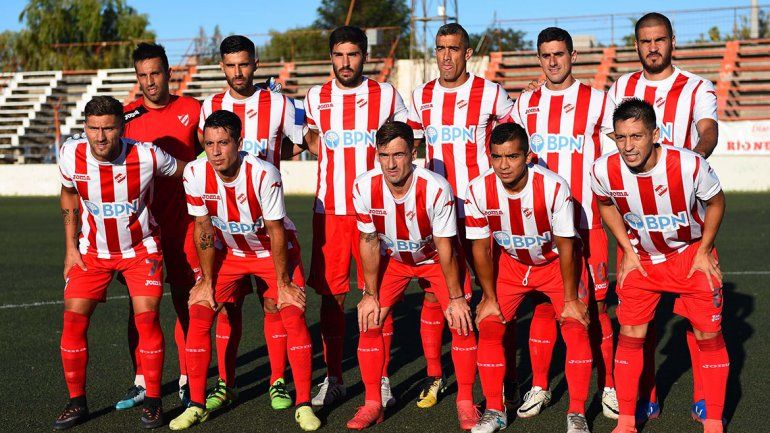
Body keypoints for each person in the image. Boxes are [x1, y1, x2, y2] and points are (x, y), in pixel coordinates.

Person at [601, 12, 720, 420]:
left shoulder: (696, 86)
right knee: (639, 322)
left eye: (659, 40)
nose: (652, 47)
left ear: (672, 42)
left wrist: (692, 165)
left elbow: (708, 131)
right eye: (644, 41)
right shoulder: (623, 86)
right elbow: (609, 139)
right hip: (638, 224)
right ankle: (645, 392)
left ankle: (705, 397)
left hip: (684, 216)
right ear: (636, 45)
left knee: (697, 317)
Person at [170, 110, 320, 431]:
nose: (215, 151)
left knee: (290, 309)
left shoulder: (263, 174)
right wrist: (207, 281)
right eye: (209, 143)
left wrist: (283, 283)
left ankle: (303, 402)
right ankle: (197, 404)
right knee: (200, 308)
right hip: (230, 252)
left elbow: (277, 231)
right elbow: (203, 228)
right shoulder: (195, 173)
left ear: (239, 142)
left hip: (271, 249)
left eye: (223, 143)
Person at [591, 98, 727, 433]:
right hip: (643, 259)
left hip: (689, 255)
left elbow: (717, 202)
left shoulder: (689, 165)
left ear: (655, 134)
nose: (628, 145)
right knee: (631, 335)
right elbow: (605, 204)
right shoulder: (602, 169)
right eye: (621, 137)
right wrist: (626, 249)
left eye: (636, 136)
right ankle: (625, 421)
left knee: (709, 335)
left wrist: (704, 249)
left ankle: (713, 421)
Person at [54, 95, 187, 430]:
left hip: (141, 252)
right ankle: (76, 403)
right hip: (92, 254)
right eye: (93, 128)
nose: (100, 137)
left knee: (147, 320)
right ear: (84, 126)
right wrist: (71, 247)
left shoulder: (147, 155)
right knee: (72, 323)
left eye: (109, 128)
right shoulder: (71, 153)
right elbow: (69, 193)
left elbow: (189, 172)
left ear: (122, 127)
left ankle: (154, 401)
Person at [197, 35, 310, 412]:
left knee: (273, 305)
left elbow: (303, 141)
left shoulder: (278, 102)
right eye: (230, 65)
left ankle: (277, 379)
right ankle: (225, 383)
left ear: (256, 64)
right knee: (227, 307)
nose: (238, 72)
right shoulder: (211, 106)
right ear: (221, 68)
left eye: (244, 64)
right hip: (227, 228)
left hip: (267, 221)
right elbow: (207, 157)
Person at [509, 27, 617, 419]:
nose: (553, 61)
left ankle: (608, 386)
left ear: (572, 55)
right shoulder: (525, 104)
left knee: (598, 308)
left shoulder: (598, 101)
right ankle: (540, 386)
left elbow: (612, 158)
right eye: (545, 55)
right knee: (542, 306)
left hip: (587, 220)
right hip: (540, 227)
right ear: (539, 59)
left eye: (559, 54)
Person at [406, 22, 515, 408]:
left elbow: (513, 138)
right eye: (440, 48)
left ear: (468, 53)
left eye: (454, 48)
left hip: (483, 209)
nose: (446, 55)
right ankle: (436, 375)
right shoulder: (420, 96)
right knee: (437, 297)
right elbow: (410, 150)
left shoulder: (492, 93)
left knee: (492, 294)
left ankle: (500, 376)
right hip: (439, 213)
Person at [302, 26, 408, 409]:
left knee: (376, 296)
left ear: (365, 56)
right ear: (330, 56)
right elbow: (311, 138)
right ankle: (334, 378)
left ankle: (380, 380)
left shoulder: (385, 95)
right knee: (331, 298)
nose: (345, 62)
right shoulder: (316, 96)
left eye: (352, 55)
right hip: (329, 211)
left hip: (375, 213)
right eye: (338, 55)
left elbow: (407, 139)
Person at [347, 121, 477, 430]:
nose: (390, 164)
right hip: (394, 261)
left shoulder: (435, 188)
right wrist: (369, 293)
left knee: (461, 323)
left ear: (413, 153)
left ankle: (466, 402)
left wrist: (457, 298)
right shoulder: (364, 186)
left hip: (434, 260)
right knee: (370, 320)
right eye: (383, 155)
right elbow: (368, 240)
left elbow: (446, 247)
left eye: (398, 154)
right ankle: (372, 403)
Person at [465, 122, 592, 433]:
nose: (504, 165)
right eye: (497, 157)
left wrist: (572, 299)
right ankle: (495, 409)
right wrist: (489, 296)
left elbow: (566, 245)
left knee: (575, 327)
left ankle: (576, 413)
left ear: (528, 156)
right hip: (511, 265)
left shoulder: (553, 186)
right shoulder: (477, 189)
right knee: (490, 324)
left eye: (512, 157)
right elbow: (480, 246)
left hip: (553, 265)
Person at [114, 42, 202, 411]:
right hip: (141, 230)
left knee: (186, 302)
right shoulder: (126, 119)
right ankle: (141, 380)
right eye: (142, 76)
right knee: (140, 308)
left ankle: (185, 378)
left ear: (169, 73)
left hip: (184, 225)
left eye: (155, 73)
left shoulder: (194, 110)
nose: (150, 82)